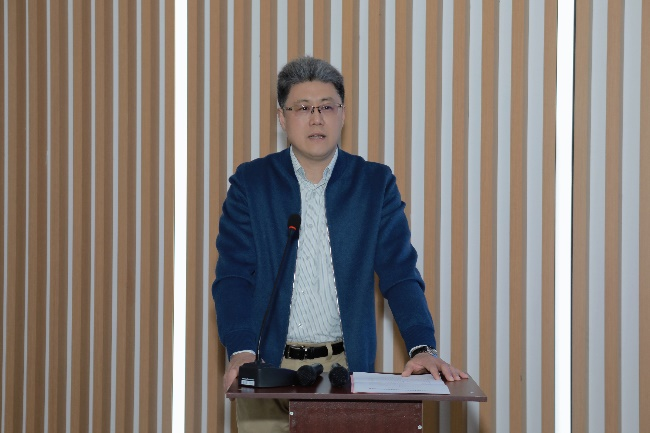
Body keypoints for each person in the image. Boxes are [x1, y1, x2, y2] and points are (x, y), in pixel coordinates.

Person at [212, 56, 468, 432]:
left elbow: (400, 274)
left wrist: (422, 346)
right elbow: (234, 277)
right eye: (303, 108)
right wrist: (240, 350)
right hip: (267, 370)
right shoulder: (251, 184)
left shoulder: (374, 184)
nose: (316, 119)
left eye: (327, 107)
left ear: (343, 115)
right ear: (282, 118)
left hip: (343, 373)